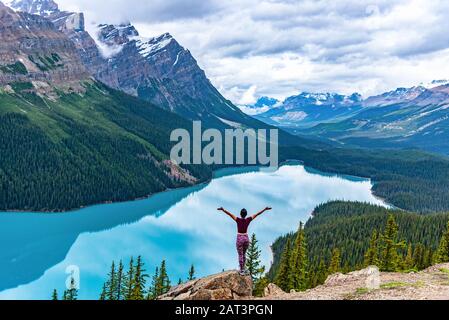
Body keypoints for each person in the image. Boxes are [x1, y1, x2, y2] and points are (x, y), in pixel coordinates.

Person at [217, 206, 272, 275]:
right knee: (244, 254)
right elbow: (257, 214)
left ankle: (242, 270)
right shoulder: (248, 220)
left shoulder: (238, 220)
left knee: (240, 254)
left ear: (240, 214)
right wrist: (265, 209)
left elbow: (230, 214)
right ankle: (243, 268)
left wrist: (223, 210)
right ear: (246, 214)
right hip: (246, 238)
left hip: (240, 238)